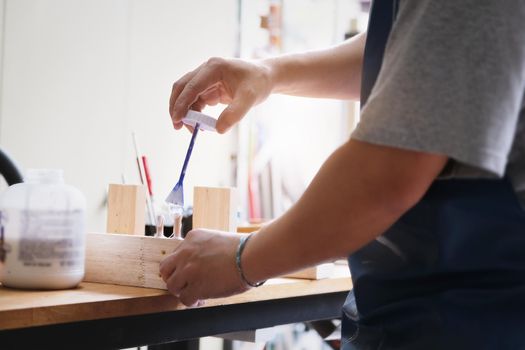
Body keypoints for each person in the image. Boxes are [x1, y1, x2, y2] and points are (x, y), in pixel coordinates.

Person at [161, 1, 525, 348]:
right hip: (421, 311)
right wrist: (270, 74)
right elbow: (410, 50)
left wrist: (241, 259)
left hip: (472, 319)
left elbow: (390, 173)